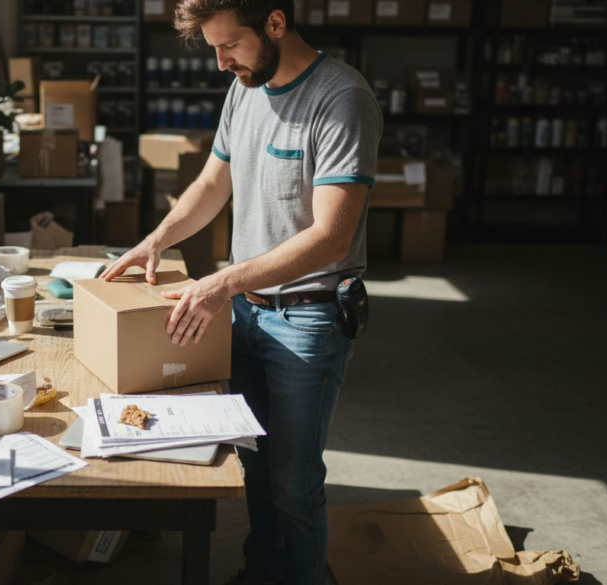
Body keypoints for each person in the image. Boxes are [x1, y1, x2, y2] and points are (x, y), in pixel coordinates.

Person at [100, 1, 382, 582]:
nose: (222, 62)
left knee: (294, 482)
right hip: (247, 314)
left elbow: (331, 237)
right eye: (213, 49)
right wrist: (156, 239)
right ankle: (262, 573)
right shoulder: (245, 87)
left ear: (275, 24)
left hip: (308, 317)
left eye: (230, 46)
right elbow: (211, 182)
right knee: (254, 465)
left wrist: (220, 282)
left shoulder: (340, 98)